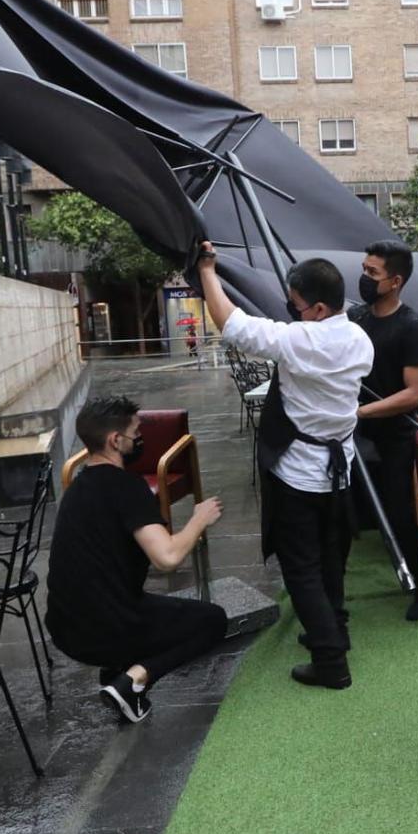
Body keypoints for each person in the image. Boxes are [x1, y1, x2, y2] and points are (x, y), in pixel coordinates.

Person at [195, 242, 372, 690]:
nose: (291, 313)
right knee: (331, 560)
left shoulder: (300, 342)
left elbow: (231, 324)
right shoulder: (359, 339)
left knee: (302, 570)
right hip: (340, 472)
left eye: (296, 307)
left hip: (300, 473)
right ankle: (334, 632)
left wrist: (207, 271)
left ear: (316, 307)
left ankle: (331, 663)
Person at [45, 395, 226, 723]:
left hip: (64, 629)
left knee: (146, 605)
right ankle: (134, 681)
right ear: (115, 440)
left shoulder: (76, 487)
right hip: (107, 628)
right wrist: (200, 518)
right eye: (135, 432)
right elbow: (167, 558)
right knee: (211, 620)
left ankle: (117, 668)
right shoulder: (128, 488)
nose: (140, 439)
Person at [349, 239, 418, 621]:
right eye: (364, 270)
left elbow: (415, 395)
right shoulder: (354, 320)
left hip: (393, 436)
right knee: (341, 514)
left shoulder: (413, 327)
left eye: (372, 273)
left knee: (400, 514)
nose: (364, 278)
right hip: (352, 432)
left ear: (395, 281)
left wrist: (362, 412)